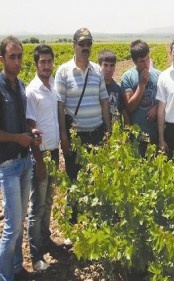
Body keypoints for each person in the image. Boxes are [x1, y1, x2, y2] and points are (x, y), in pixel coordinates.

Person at [55, 27, 111, 224]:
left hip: (96, 133)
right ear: (74, 46)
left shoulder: (97, 70)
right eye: (82, 44)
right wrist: (63, 136)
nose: (86, 47)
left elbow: (104, 101)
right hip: (75, 135)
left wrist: (108, 131)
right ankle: (73, 224)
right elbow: (60, 106)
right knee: (73, 179)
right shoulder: (63, 71)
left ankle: (93, 222)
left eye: (89, 44)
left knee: (95, 178)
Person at [0, 35, 42, 281]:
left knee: (20, 219)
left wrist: (30, 133)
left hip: (25, 160)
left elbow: (20, 123)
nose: (17, 61)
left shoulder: (22, 86)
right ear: (2, 59)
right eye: (12, 56)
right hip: (8, 164)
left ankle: (16, 267)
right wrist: (18, 138)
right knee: (13, 226)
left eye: (19, 56)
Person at [26, 44, 64, 273]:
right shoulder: (32, 90)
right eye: (43, 62)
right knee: (37, 206)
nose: (47, 65)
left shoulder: (52, 87)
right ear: (36, 64)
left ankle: (46, 239)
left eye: (49, 61)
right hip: (39, 155)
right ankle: (35, 254)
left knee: (48, 201)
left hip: (53, 151)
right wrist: (39, 161)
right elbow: (31, 127)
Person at [121, 40, 161, 156]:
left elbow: (166, 100)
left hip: (156, 134)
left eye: (148, 59)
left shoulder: (159, 75)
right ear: (134, 61)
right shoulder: (127, 77)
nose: (146, 64)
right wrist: (142, 84)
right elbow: (130, 107)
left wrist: (157, 107)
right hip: (137, 137)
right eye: (142, 61)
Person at [98, 49, 129, 127]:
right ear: (99, 66)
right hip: (98, 132)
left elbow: (124, 112)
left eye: (112, 65)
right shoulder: (95, 88)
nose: (109, 69)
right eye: (105, 65)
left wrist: (127, 131)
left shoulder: (118, 88)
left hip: (116, 133)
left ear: (115, 67)